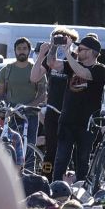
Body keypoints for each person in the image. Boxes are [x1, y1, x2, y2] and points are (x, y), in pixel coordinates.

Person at [52, 34, 105, 184]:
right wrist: (53, 47)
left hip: (87, 123)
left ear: (91, 52)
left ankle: (82, 191)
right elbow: (52, 64)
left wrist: (68, 53)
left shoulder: (100, 69)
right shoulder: (73, 64)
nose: (78, 51)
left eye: (81, 49)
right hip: (67, 121)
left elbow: (84, 74)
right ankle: (56, 189)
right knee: (61, 159)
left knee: (82, 161)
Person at [32, 27, 78, 178]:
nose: (59, 41)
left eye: (62, 39)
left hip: (69, 112)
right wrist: (42, 54)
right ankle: (47, 179)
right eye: (56, 38)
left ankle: (63, 180)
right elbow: (34, 77)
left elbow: (65, 67)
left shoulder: (75, 58)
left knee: (65, 150)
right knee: (50, 150)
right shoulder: (50, 58)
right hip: (52, 110)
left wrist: (67, 49)